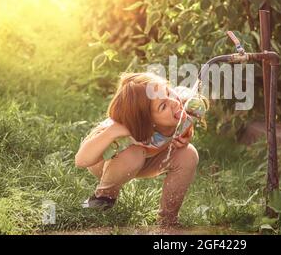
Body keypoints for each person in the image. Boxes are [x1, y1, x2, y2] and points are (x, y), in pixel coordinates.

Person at [75, 72, 205, 227]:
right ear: (147, 121)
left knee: (188, 154)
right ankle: (103, 199)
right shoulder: (124, 131)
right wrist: (112, 132)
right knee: (134, 153)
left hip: (148, 159)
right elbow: (81, 161)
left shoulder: (181, 104)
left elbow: (198, 103)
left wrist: (187, 129)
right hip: (107, 161)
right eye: (163, 106)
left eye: (169, 92)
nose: (173, 102)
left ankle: (168, 219)